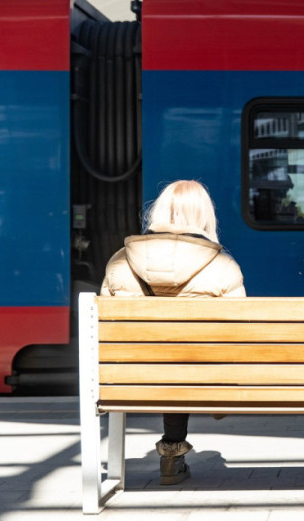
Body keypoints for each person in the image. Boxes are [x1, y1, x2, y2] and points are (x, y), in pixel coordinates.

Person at [100, 180, 245, 484]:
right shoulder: (224, 265)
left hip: (129, 377)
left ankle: (172, 451)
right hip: (197, 374)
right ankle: (203, 413)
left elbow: (105, 328)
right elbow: (239, 333)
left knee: (167, 359)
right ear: (205, 216)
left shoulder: (119, 261)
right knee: (185, 360)